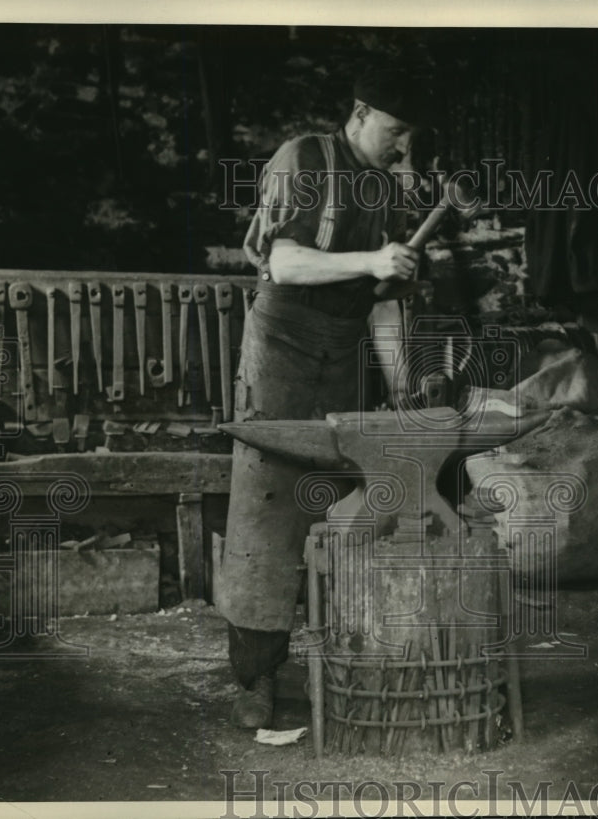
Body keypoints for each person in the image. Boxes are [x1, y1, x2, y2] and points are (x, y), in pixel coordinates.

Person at [215, 69, 427, 729]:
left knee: (340, 507)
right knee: (269, 506)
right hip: (280, 351)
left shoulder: (392, 190)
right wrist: (371, 262)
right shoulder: (304, 159)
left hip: (341, 359)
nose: (399, 147)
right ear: (360, 112)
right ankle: (255, 680)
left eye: (408, 138)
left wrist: (401, 388)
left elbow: (383, 309)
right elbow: (283, 263)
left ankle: (343, 660)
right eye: (393, 131)